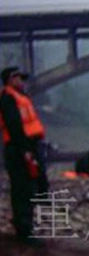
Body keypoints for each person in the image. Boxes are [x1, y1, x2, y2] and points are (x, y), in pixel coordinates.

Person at [0, 66, 49, 244]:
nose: (22, 81)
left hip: (28, 147)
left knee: (31, 185)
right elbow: (14, 126)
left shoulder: (21, 97)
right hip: (19, 149)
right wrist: (26, 149)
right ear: (10, 79)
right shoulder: (8, 98)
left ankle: (26, 225)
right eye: (19, 78)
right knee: (22, 189)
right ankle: (23, 230)